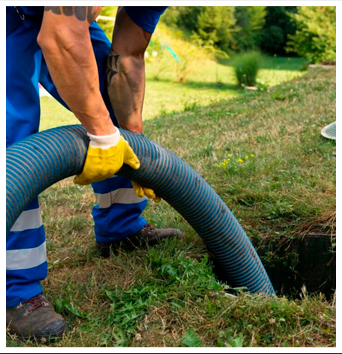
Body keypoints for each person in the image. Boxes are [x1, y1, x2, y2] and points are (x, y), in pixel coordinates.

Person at [6, 6, 182, 341]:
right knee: (11, 143)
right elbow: (60, 37)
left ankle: (121, 227)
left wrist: (132, 140)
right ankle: (14, 290)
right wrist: (102, 135)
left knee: (109, 97)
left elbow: (127, 54)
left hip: (54, 15)